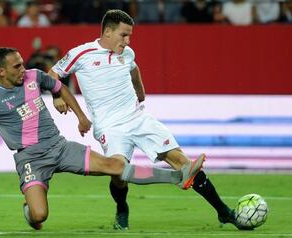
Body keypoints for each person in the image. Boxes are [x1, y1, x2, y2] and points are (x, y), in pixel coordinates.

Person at [0, 47, 205, 230]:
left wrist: (80, 116)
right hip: (30, 159)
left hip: (59, 147)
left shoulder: (34, 77)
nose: (23, 69)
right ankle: (30, 207)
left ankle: (178, 175)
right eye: (16, 66)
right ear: (1, 71)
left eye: (22, 63)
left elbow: (59, 86)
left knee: (115, 167)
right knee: (39, 217)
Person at [49, 9, 245, 230]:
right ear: (108, 32)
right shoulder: (82, 53)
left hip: (139, 119)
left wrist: (140, 92)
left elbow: (134, 70)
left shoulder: (128, 53)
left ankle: (223, 212)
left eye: (130, 35)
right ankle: (122, 207)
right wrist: (57, 97)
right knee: (119, 173)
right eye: (124, 35)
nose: (128, 41)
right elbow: (54, 74)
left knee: (184, 164)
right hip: (110, 127)